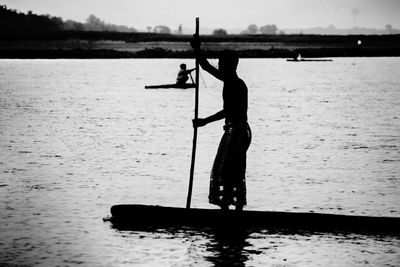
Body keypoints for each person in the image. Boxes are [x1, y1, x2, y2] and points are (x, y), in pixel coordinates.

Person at [190, 36, 251, 211]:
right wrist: (197, 49)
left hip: (238, 131)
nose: (218, 65)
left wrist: (204, 122)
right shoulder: (228, 80)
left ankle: (232, 209)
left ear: (231, 65)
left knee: (228, 170)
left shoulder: (236, 84)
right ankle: (227, 209)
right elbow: (206, 67)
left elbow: (229, 112)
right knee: (225, 169)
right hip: (233, 130)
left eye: (221, 63)